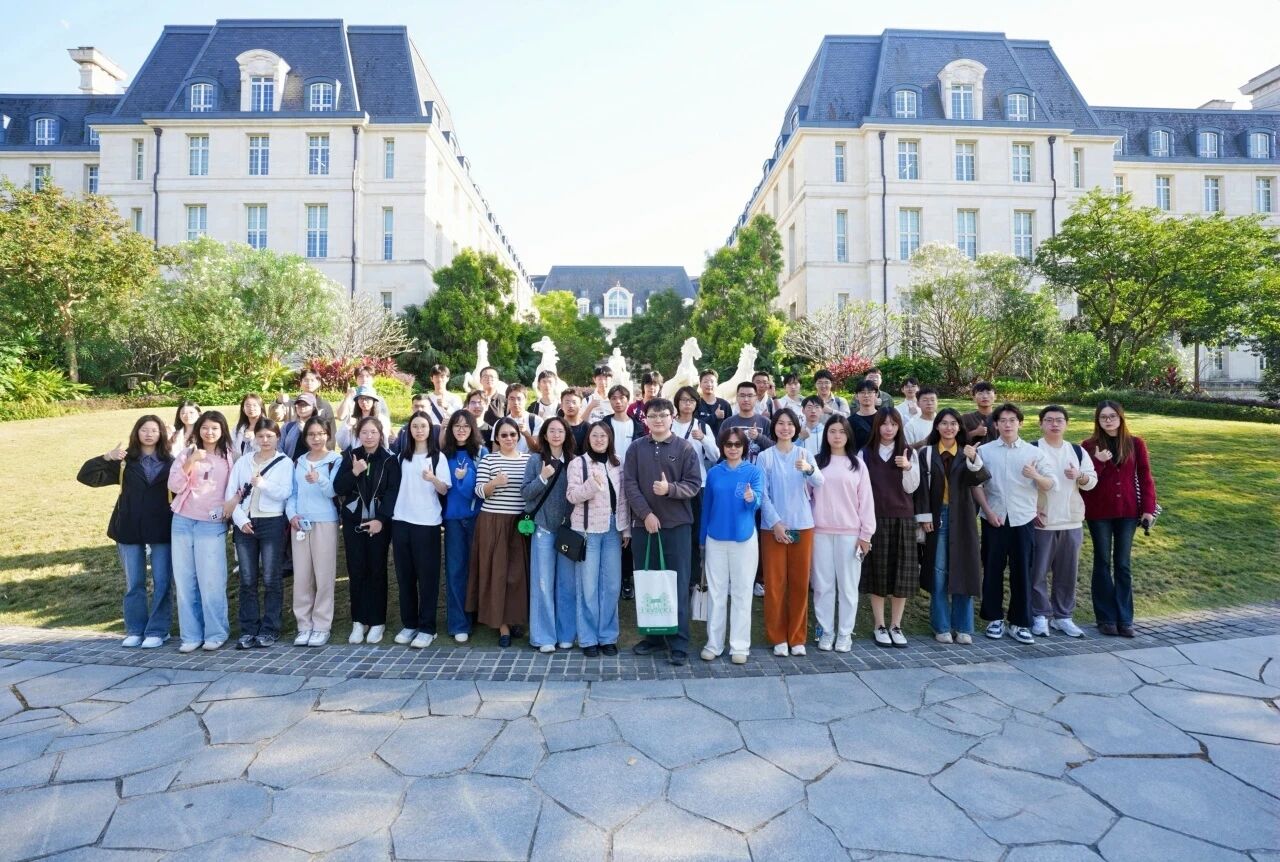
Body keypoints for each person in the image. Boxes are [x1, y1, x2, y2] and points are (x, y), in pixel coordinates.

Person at [77, 415, 174, 649]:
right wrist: (106, 457)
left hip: (162, 527)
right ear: (136, 432)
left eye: (154, 430)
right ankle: (135, 629)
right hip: (129, 526)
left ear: (161, 434)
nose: (149, 434)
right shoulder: (124, 460)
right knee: (134, 582)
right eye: (144, 430)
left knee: (162, 582)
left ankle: (158, 630)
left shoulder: (171, 462)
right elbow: (86, 477)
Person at [623, 398, 701, 666]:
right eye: (653, 415)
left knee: (676, 584)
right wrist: (646, 514)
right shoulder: (636, 448)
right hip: (644, 526)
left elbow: (694, 484)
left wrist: (670, 490)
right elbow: (629, 484)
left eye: (663, 415)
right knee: (649, 584)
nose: (658, 420)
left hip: (677, 526)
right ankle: (654, 636)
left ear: (672, 417)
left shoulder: (685, 448)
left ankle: (678, 642)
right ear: (645, 419)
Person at [973, 403, 1057, 645]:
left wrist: (1035, 475)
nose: (1008, 424)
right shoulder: (985, 451)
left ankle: (1019, 622)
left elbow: (1051, 483)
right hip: (994, 519)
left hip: (1023, 519)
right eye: (1003, 420)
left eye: (1012, 420)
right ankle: (994, 619)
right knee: (992, 569)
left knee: (1022, 572)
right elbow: (976, 485)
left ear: (1020, 423)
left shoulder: (1033, 453)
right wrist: (988, 512)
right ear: (996, 424)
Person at [1080, 400, 1157, 638]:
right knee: (1102, 561)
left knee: (1122, 564)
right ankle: (1106, 618)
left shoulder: (1135, 443)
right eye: (1103, 417)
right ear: (1098, 420)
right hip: (1099, 511)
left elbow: (1145, 476)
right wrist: (1098, 461)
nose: (1108, 420)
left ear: (1120, 417)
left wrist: (1148, 509)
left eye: (1112, 416)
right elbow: (1085, 480)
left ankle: (1125, 619)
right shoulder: (1089, 445)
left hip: (1128, 511)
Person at [757, 408, 824, 657]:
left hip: (802, 525)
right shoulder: (765, 457)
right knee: (774, 584)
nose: (785, 428)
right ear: (773, 427)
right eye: (780, 423)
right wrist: (775, 523)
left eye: (790, 424)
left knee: (799, 583)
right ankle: (777, 638)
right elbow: (762, 494)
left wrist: (808, 469)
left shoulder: (804, 453)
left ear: (796, 428)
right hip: (772, 528)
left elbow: (819, 482)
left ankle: (797, 638)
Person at [918, 409, 989, 645]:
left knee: (963, 570)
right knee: (938, 573)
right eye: (944, 423)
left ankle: (964, 626)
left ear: (959, 427)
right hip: (937, 516)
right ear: (937, 426)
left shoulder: (967, 451)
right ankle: (941, 626)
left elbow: (980, 479)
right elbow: (921, 488)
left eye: (953, 423)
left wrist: (973, 459)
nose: (949, 427)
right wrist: (924, 516)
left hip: (963, 517)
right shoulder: (927, 453)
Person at [167, 410, 234, 652]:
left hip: (211, 523)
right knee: (185, 580)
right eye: (205, 427)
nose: (209, 432)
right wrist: (191, 461)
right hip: (183, 520)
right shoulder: (187, 453)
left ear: (222, 430)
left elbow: (236, 488)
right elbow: (174, 485)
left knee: (212, 580)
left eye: (215, 428)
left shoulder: (229, 456)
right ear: (198, 429)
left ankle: (216, 633)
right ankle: (191, 635)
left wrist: (228, 509)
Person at [1029, 405, 1098, 639]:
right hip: (1042, 522)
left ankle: (1063, 617)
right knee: (1037, 572)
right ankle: (1039, 615)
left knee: (1067, 573)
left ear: (1067, 424)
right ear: (1041, 424)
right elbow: (1021, 484)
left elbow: (1092, 482)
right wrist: (1030, 510)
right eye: (1049, 420)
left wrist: (1079, 476)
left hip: (1071, 522)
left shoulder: (1077, 451)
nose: (1054, 424)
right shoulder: (1032, 449)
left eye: (1059, 420)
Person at [861, 408, 928, 647]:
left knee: (902, 575)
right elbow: (860, 489)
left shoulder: (909, 452)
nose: (888, 428)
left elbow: (912, 488)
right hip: (875, 519)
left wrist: (908, 468)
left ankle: (896, 625)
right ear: (877, 426)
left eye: (893, 424)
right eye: (884, 424)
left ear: (899, 427)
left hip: (903, 519)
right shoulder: (865, 453)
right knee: (878, 574)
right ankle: (879, 624)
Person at [333, 415, 401, 644]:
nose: (369, 436)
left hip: (379, 523)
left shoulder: (390, 459)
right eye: (364, 432)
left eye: (373, 432)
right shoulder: (350, 456)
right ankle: (358, 620)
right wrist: (354, 471)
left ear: (380, 434)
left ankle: (377, 620)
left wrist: (381, 519)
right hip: (353, 522)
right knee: (356, 570)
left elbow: (393, 492)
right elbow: (338, 487)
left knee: (377, 570)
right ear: (358, 435)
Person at [225, 418, 292, 649]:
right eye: (261, 436)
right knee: (247, 579)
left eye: (269, 436)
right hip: (245, 523)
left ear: (277, 438)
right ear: (254, 438)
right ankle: (248, 629)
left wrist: (263, 484)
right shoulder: (243, 462)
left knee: (272, 578)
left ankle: (270, 628)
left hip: (272, 522)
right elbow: (231, 494)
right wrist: (240, 520)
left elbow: (285, 493)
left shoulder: (284, 463)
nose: (265, 440)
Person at [699, 425, 764, 664]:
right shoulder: (714, 473)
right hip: (715, 539)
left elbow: (757, 501)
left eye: (738, 444)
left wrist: (751, 498)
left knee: (742, 593)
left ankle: (740, 646)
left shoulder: (753, 472)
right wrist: (702, 540)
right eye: (729, 444)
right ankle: (713, 644)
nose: (733, 448)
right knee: (716, 594)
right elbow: (706, 507)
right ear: (722, 447)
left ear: (744, 447)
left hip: (744, 539)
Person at [565, 421, 630, 657]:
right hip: (587, 531)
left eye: (603, 435)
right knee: (588, 587)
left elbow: (624, 499)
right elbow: (572, 496)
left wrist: (626, 530)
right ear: (588, 438)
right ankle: (588, 638)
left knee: (611, 585)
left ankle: (608, 637)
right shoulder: (578, 463)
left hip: (613, 529)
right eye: (595, 435)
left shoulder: (618, 462)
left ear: (610, 438)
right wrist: (592, 485)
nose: (599, 439)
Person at [811, 415, 875, 651]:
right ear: (826, 435)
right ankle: (826, 631)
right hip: (820, 532)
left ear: (848, 435)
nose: (837, 436)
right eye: (832, 431)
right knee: (822, 586)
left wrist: (866, 535)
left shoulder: (857, 464)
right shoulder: (816, 462)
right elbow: (806, 495)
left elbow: (866, 501)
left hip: (850, 534)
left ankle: (845, 634)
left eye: (841, 431)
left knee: (848, 588)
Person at [469, 417, 531, 647]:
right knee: (497, 574)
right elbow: (478, 491)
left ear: (518, 436)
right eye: (503, 435)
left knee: (517, 575)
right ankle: (502, 625)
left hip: (519, 523)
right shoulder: (489, 459)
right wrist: (494, 483)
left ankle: (515, 618)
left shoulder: (528, 460)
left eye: (513, 434)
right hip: (493, 522)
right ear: (496, 437)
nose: (508, 438)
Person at [391, 411, 451, 649]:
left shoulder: (438, 457)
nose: (419, 430)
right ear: (409, 430)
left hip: (427, 523)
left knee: (428, 578)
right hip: (401, 521)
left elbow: (444, 489)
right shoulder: (400, 458)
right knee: (405, 577)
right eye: (415, 426)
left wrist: (433, 479)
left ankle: (427, 627)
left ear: (430, 430)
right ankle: (410, 624)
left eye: (423, 426)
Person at [522, 417, 577, 652]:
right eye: (551, 431)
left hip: (567, 530)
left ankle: (566, 634)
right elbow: (526, 493)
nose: (556, 435)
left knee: (566, 584)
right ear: (544, 435)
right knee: (543, 583)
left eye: (560, 431)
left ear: (566, 435)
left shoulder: (574, 461)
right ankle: (544, 637)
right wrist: (543, 477)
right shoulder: (535, 460)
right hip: (543, 529)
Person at [287, 416, 342, 647]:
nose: (316, 438)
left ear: (327, 435)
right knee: (302, 577)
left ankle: (321, 626)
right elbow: (292, 493)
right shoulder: (298, 461)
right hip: (300, 524)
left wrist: (319, 479)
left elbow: (333, 492)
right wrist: (292, 515)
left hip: (325, 522)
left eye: (320, 433)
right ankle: (304, 625)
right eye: (311, 434)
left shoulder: (335, 460)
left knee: (324, 576)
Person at [442, 409, 487, 643]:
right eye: (457, 425)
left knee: (477, 569)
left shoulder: (482, 453)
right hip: (453, 520)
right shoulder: (443, 455)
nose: (461, 430)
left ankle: (479, 615)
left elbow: (481, 490)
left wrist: (465, 477)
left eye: (466, 426)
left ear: (473, 428)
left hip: (477, 518)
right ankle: (459, 623)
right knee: (456, 570)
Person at [671, 385, 720, 588]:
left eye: (691, 400)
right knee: (676, 531)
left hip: (698, 486)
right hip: (673, 486)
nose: (687, 404)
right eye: (683, 400)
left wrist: (704, 439)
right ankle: (676, 574)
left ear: (696, 403)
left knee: (696, 531)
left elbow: (715, 456)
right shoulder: (669, 424)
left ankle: (694, 578)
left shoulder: (702, 426)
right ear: (677, 403)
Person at [608, 383, 646, 601]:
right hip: (609, 483)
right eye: (614, 398)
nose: (618, 401)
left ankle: (629, 578)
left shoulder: (638, 426)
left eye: (621, 397)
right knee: (615, 530)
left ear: (627, 400)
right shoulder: (604, 424)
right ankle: (618, 578)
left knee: (630, 531)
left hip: (633, 481)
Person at [721, 381, 773, 462]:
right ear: (737, 398)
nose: (746, 399)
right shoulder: (727, 423)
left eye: (750, 396)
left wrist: (758, 437)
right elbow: (720, 448)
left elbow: (774, 448)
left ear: (756, 398)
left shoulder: (766, 422)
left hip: (760, 468)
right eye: (742, 395)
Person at [337, 386, 390, 451]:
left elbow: (385, 444)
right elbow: (342, 443)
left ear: (373, 401)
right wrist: (347, 426)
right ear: (357, 401)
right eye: (361, 398)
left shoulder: (382, 420)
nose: (364, 402)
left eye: (367, 398)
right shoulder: (351, 418)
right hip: (355, 454)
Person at [298, 368, 337, 441]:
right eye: (306, 380)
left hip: (319, 444)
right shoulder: (292, 403)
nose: (309, 383)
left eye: (312, 380)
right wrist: (279, 402)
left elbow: (331, 431)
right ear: (300, 383)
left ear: (319, 383)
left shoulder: (325, 406)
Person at [693, 369, 732, 436]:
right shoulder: (695, 404)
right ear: (700, 385)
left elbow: (730, 427)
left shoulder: (725, 405)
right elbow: (695, 425)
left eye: (712, 381)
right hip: (700, 441)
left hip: (721, 442)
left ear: (716, 384)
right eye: (705, 382)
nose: (709, 384)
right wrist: (714, 416)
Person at [505, 384, 542, 454]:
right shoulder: (501, 423)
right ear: (507, 400)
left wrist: (526, 434)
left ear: (526, 400)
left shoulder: (536, 421)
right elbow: (496, 451)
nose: (516, 402)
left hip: (530, 460)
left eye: (519, 399)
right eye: (512, 399)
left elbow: (537, 449)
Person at [281, 393, 319, 461]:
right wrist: (285, 462)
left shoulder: (320, 427)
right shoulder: (287, 427)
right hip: (289, 465)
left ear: (313, 408)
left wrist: (304, 430)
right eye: (299, 404)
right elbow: (279, 447)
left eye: (305, 404)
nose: (302, 407)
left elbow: (320, 448)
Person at [231, 393, 265, 460]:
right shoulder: (238, 428)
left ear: (261, 407)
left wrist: (253, 439)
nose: (251, 408)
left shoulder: (268, 427)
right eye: (247, 405)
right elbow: (233, 449)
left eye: (255, 405)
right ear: (243, 409)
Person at [849, 380, 880, 452]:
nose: (866, 395)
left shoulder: (883, 418)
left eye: (870, 392)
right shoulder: (850, 421)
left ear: (876, 395)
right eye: (862, 392)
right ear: (856, 396)